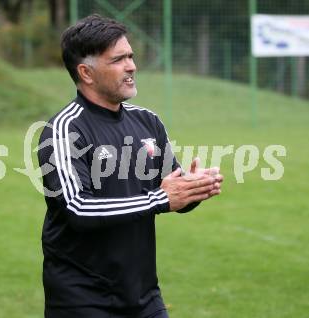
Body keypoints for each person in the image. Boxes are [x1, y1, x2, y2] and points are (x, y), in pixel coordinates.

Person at [37, 14, 223, 318]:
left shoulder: (147, 121)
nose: (132, 66)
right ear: (86, 72)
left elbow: (169, 190)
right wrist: (161, 199)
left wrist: (193, 188)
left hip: (143, 296)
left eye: (131, 56)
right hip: (82, 300)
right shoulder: (64, 130)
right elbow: (77, 209)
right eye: (118, 59)